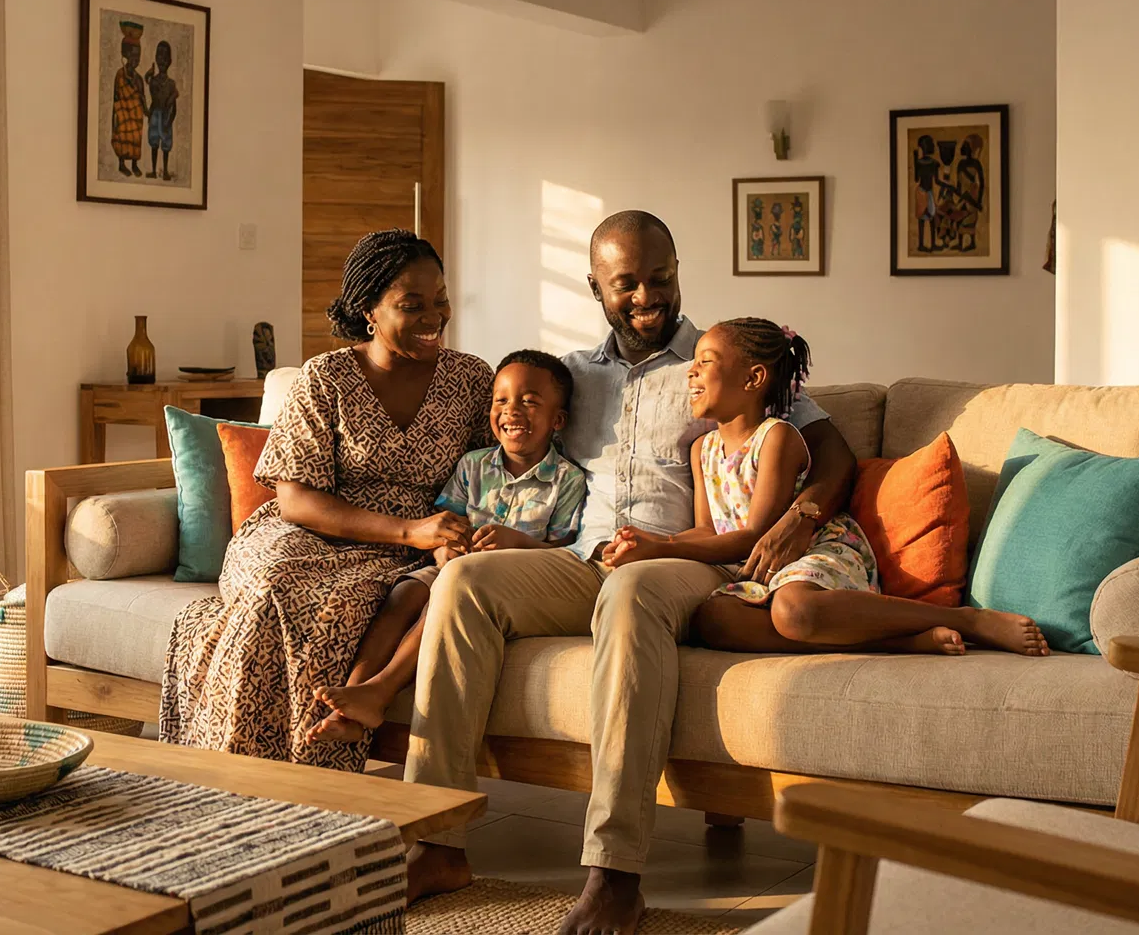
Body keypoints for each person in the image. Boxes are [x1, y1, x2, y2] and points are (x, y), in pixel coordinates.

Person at [402, 211, 857, 935]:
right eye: (627, 284)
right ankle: (436, 838)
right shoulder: (575, 377)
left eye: (662, 277)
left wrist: (800, 516)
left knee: (632, 590)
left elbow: (833, 453)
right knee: (463, 584)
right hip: (584, 557)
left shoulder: (719, 363)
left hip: (685, 564)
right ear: (595, 288)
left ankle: (614, 873)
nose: (648, 295)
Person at [158, 229, 493, 772]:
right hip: (310, 532)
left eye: (441, 300)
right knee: (274, 584)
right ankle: (229, 779)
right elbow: (294, 500)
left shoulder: (472, 379)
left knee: (345, 605)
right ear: (369, 311)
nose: (435, 317)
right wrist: (411, 531)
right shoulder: (326, 377)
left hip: (407, 553)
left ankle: (310, 787)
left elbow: (492, 476)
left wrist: (449, 536)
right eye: (412, 305)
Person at [614, 317, 1047, 659]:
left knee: (793, 610)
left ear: (753, 378)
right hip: (764, 572)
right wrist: (648, 541)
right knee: (713, 621)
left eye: (705, 361)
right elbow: (709, 532)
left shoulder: (777, 438)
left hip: (814, 554)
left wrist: (663, 548)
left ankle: (968, 620)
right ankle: (899, 643)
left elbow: (754, 536)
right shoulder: (702, 449)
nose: (690, 371)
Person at [308, 349, 587, 743]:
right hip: (450, 565)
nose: (512, 411)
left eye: (529, 402)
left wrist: (518, 543)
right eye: (501, 400)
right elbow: (444, 524)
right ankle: (352, 698)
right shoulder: (472, 465)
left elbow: (564, 551)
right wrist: (444, 551)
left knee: (440, 604)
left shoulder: (567, 479)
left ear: (557, 420)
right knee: (403, 595)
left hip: (504, 585)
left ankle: (380, 689)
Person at [110, 21, 147, 176]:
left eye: (138, 56)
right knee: (122, 137)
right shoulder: (120, 74)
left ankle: (134, 164)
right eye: (133, 55)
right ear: (125, 55)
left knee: (135, 139)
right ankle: (121, 164)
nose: (136, 59)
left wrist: (146, 110)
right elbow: (116, 96)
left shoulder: (138, 78)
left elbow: (143, 96)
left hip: (136, 116)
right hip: (123, 114)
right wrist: (116, 115)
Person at [145, 40, 179, 180]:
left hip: (165, 118)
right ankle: (153, 171)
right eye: (159, 57)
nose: (162, 60)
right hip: (155, 116)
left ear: (170, 61)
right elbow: (152, 97)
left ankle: (165, 171)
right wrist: (149, 115)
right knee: (154, 144)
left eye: (165, 58)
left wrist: (169, 121)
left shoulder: (171, 84)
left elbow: (174, 108)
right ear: (155, 58)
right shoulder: (153, 81)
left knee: (165, 146)